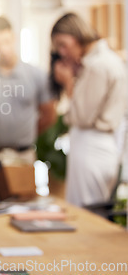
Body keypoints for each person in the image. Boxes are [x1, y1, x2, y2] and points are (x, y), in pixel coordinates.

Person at [51, 12, 127, 207]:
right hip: (100, 146)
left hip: (91, 146)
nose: (62, 52)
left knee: (85, 214)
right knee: (93, 210)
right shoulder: (105, 60)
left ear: (76, 36)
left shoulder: (97, 66)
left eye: (63, 44)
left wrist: (68, 84)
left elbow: (81, 117)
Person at [0, 16, 56, 164]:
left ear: (14, 37)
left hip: (24, 155)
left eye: (6, 42)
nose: (3, 49)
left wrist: (26, 134)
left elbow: (49, 114)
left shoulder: (36, 75)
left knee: (23, 188)